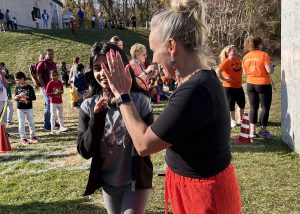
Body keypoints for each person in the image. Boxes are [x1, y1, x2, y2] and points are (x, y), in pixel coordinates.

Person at [101, 0, 242, 213]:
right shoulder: (197, 81)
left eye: (154, 51)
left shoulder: (196, 90)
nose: (153, 59)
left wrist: (122, 96)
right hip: (199, 190)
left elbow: (144, 144)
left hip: (204, 199)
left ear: (172, 46)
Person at [77, 42, 153, 214]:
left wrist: (123, 100)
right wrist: (97, 118)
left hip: (135, 182)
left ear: (122, 67)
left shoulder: (140, 101)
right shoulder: (88, 106)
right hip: (109, 183)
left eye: (109, 66)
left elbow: (149, 144)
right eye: (97, 67)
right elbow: (84, 151)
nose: (103, 73)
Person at [242, 36, 275, 139]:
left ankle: (252, 131)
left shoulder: (245, 57)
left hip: (250, 84)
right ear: (259, 44)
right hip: (263, 84)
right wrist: (272, 67)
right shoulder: (264, 55)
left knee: (253, 107)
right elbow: (269, 71)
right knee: (264, 107)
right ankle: (263, 131)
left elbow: (245, 72)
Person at [216, 45, 245, 128]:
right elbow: (218, 71)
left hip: (239, 86)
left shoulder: (238, 60)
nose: (233, 52)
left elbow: (240, 70)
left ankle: (242, 119)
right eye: (231, 51)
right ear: (227, 53)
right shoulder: (226, 61)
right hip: (229, 87)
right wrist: (225, 79)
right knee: (231, 104)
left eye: (234, 50)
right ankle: (232, 120)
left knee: (242, 103)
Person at [14, 71, 38, 145]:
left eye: (17, 80)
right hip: (20, 108)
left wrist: (26, 97)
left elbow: (34, 97)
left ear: (22, 79)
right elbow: (15, 97)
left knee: (31, 122)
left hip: (28, 108)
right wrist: (17, 97)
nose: (16, 81)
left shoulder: (29, 87)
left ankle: (33, 136)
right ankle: (23, 138)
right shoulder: (17, 87)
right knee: (21, 123)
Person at [36, 49, 57, 131]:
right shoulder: (42, 64)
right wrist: (45, 87)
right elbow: (39, 76)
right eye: (49, 54)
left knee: (53, 104)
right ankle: (46, 125)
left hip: (54, 87)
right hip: (45, 88)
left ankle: (53, 121)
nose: (51, 55)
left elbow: (55, 75)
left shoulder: (53, 64)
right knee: (48, 104)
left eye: (52, 54)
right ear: (45, 55)